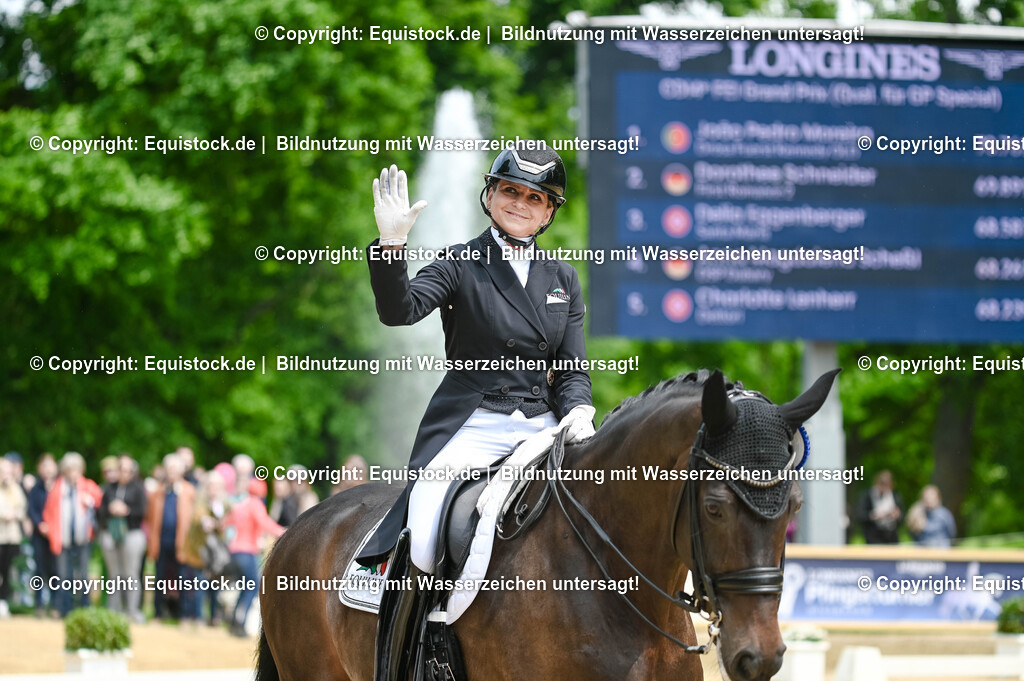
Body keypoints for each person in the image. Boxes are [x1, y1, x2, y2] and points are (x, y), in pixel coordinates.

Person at [359, 145, 595, 681]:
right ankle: (414, 657)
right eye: (510, 190)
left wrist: (579, 411)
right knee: (422, 530)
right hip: (473, 423)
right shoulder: (460, 262)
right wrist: (392, 245)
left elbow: (573, 369)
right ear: (490, 195)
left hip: (539, 425)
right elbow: (399, 311)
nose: (520, 203)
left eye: (535, 197)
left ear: (549, 211)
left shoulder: (564, 278)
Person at [42, 452, 103, 616]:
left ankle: (84, 607)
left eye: (77, 469)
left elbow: (100, 501)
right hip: (62, 538)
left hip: (82, 537)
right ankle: (65, 609)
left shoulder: (87, 485)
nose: (74, 473)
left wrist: (88, 500)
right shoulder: (57, 488)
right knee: (63, 575)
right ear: (65, 470)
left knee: (83, 574)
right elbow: (49, 511)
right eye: (70, 469)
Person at [223, 477, 283, 637]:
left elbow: (227, 523)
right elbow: (264, 523)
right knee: (252, 587)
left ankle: (234, 621)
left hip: (234, 550)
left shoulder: (240, 504)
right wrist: (284, 532)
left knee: (244, 587)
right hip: (246, 551)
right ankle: (239, 624)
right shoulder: (255, 504)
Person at [144, 452, 196, 622]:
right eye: (169, 469)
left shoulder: (189, 491)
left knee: (183, 579)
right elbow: (150, 517)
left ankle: (184, 615)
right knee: (159, 578)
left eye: (174, 469)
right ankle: (157, 614)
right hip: (162, 541)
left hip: (181, 542)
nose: (171, 472)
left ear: (181, 471)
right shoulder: (158, 492)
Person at [97, 456, 147, 623]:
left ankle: (132, 611)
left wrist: (126, 510)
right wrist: (111, 509)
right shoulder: (109, 489)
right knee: (115, 575)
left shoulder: (139, 489)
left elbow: (143, 511)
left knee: (131, 574)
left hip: (132, 534)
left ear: (132, 472)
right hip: (111, 535)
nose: (124, 473)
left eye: (127, 470)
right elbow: (100, 511)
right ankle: (114, 610)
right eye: (121, 469)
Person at [27, 454, 58, 617]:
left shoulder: (60, 487)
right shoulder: (36, 488)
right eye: (44, 466)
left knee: (54, 570)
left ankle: (54, 605)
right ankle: (38, 605)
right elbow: (31, 510)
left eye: (50, 465)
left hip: (55, 535)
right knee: (39, 569)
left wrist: (51, 527)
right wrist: (40, 524)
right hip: (39, 535)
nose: (47, 469)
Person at [0, 457, 28, 618]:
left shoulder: (15, 489)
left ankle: (3, 602)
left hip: (12, 537)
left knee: (7, 569)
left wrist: (14, 514)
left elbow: (22, 508)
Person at [856, 470, 904, 544]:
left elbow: (902, 517)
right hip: (874, 536)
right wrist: (874, 515)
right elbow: (860, 515)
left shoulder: (895, 496)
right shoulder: (868, 496)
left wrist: (897, 515)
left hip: (891, 536)